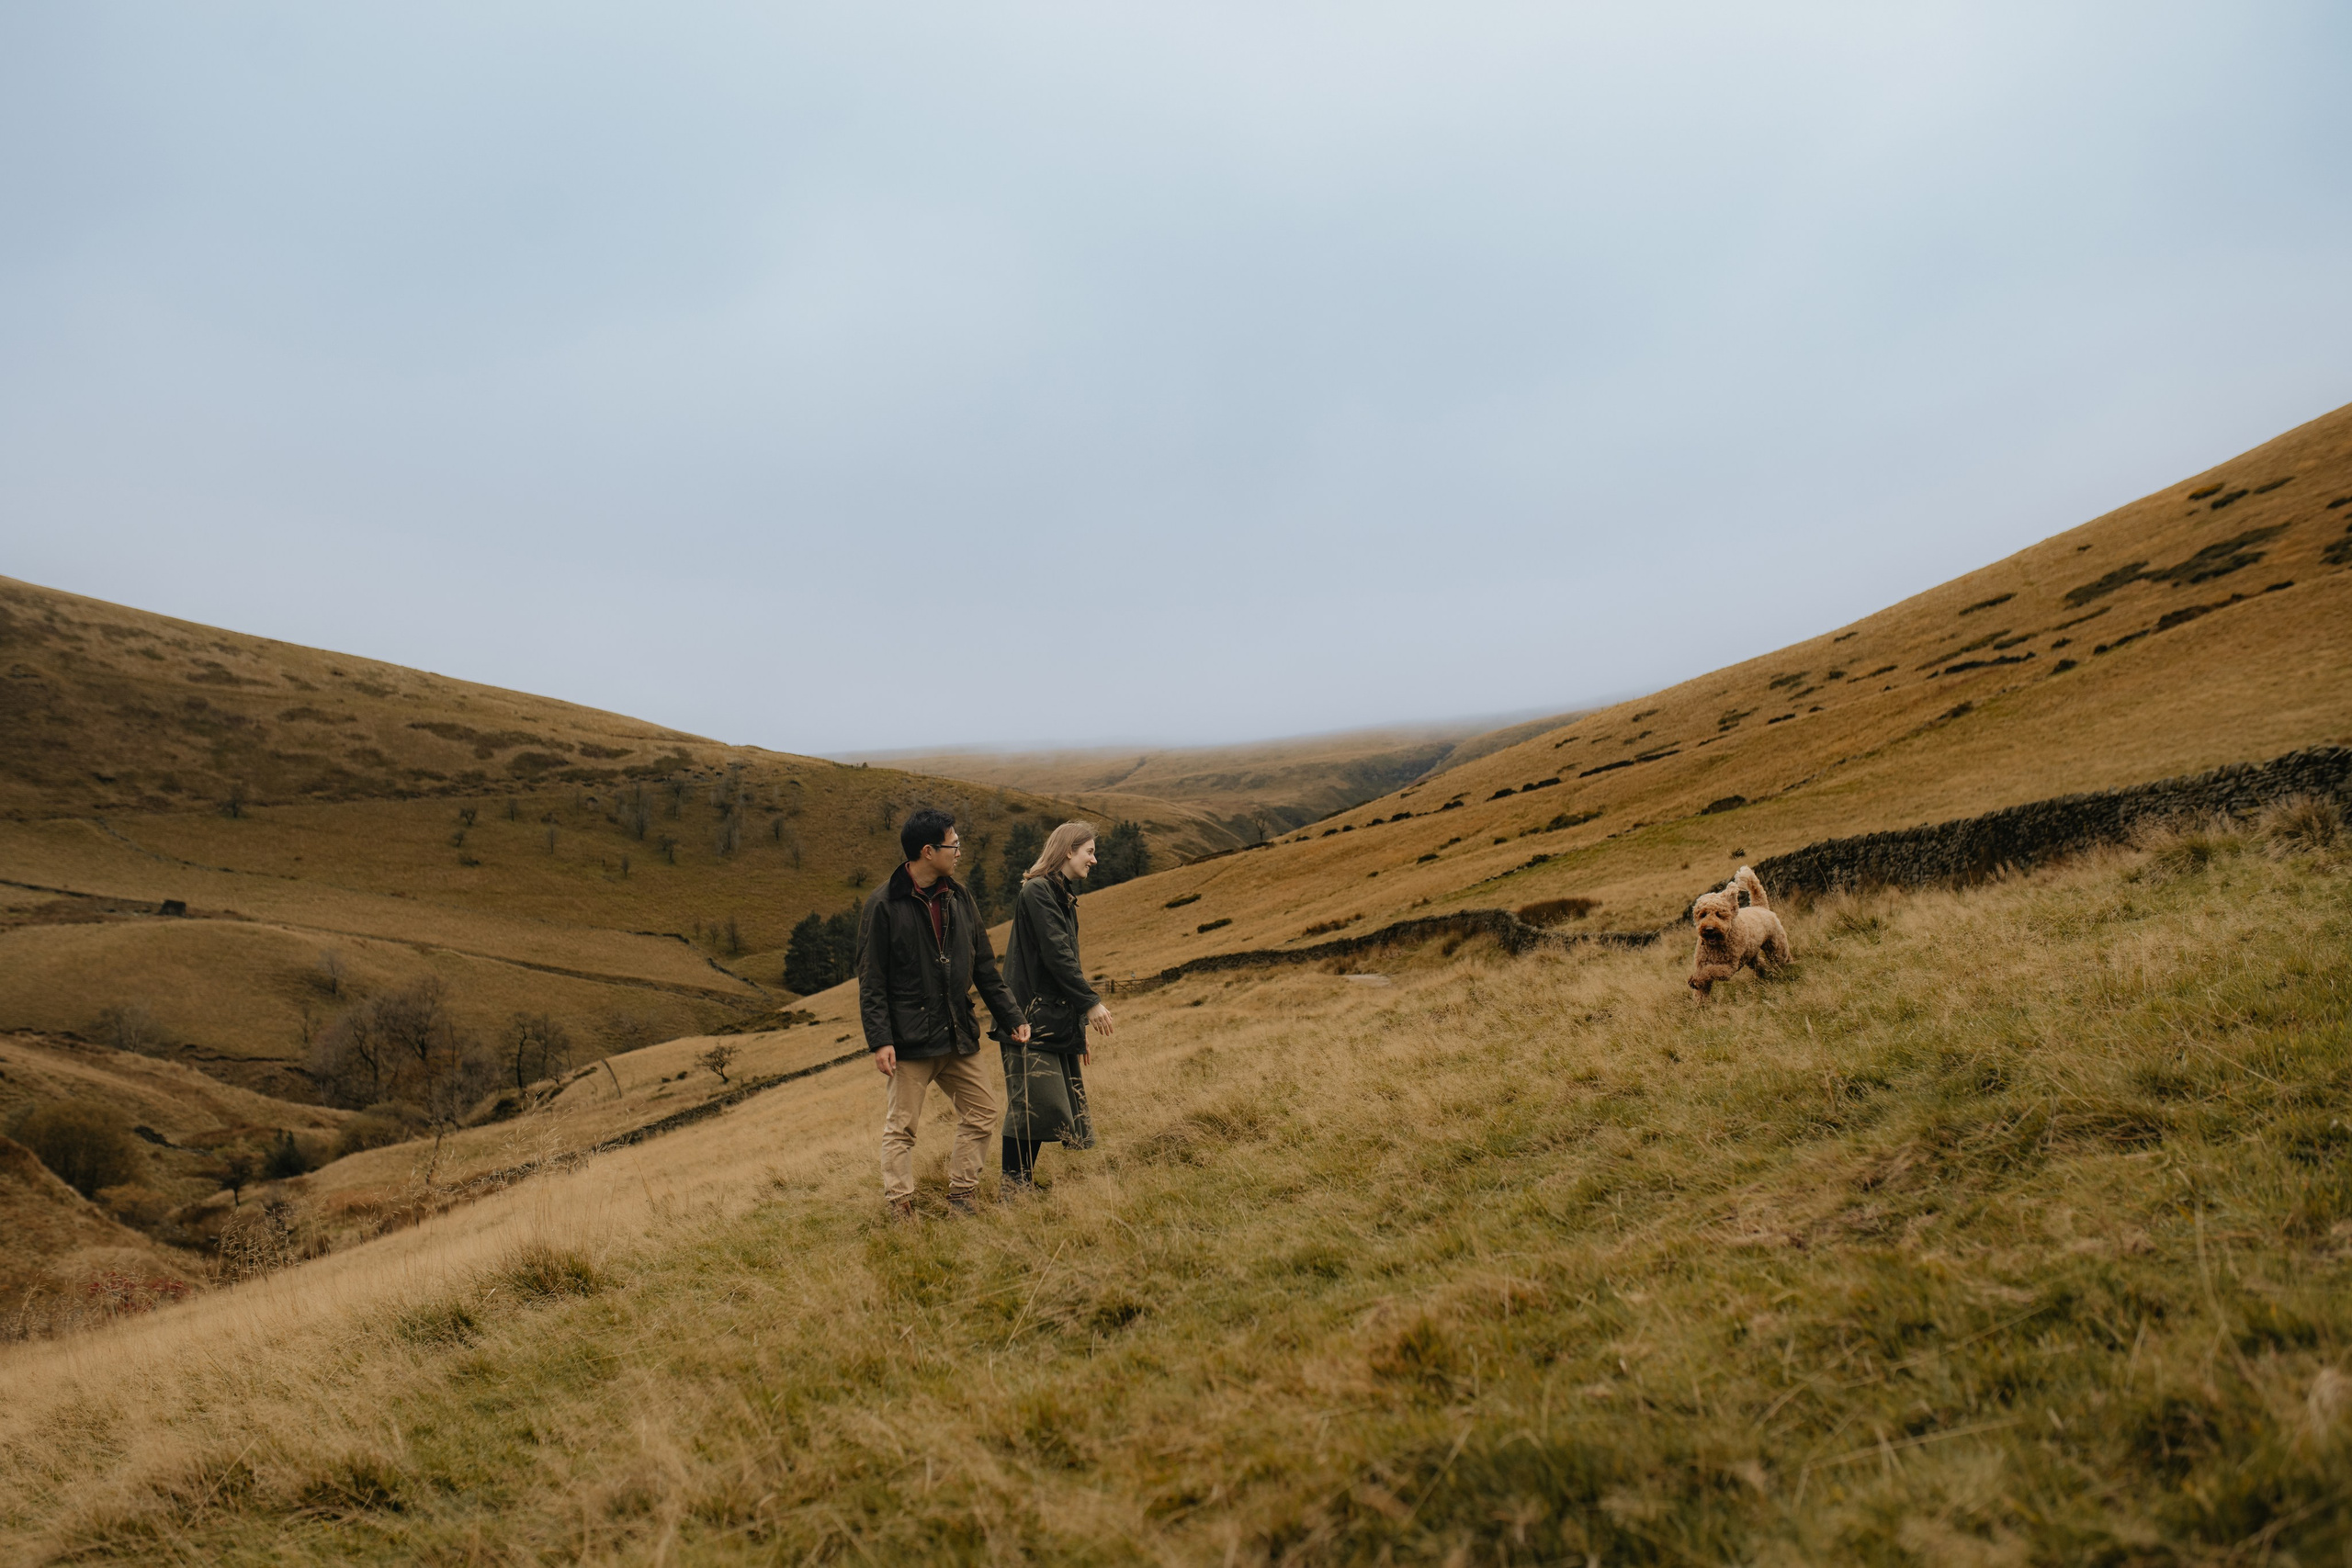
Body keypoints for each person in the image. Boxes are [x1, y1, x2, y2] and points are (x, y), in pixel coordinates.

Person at [857, 808, 1028, 1219]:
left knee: (983, 1112)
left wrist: (1012, 1016)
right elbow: (872, 980)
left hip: (957, 1033)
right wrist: (881, 1040)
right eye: (953, 845)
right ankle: (901, 1207)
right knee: (902, 1128)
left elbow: (984, 968)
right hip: (909, 1041)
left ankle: (962, 1198)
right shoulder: (882, 905)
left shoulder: (960, 896)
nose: (959, 852)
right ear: (928, 851)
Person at [999, 820, 1116, 1192]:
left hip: (1048, 1015)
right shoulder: (1038, 891)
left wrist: (1076, 1030)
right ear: (1068, 850)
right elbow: (1057, 955)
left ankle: (1019, 1187)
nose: (1094, 860)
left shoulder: (1059, 893)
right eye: (1089, 851)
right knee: (1032, 1101)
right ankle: (1013, 1188)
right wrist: (1091, 1004)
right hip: (1028, 1017)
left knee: (1039, 1100)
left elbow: (1064, 963)